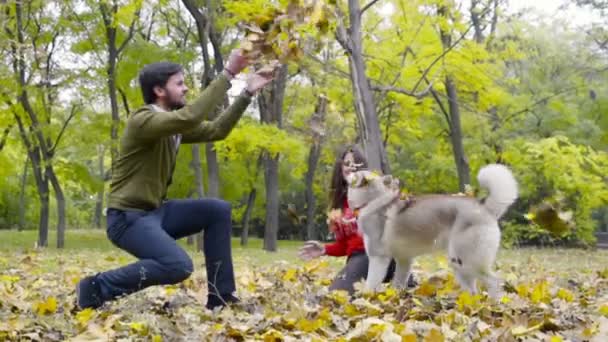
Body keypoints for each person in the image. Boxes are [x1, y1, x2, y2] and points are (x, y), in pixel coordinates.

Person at [76, 49, 274, 311]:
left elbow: (217, 129)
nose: (186, 88)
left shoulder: (173, 128)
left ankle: (220, 298)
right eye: (179, 83)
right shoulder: (143, 120)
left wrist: (247, 93)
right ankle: (95, 287)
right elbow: (191, 116)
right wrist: (228, 73)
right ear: (159, 90)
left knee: (217, 211)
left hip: (155, 213)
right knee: (178, 265)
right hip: (127, 219)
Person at [298, 145, 415, 294]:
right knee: (336, 295)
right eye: (347, 164)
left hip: (390, 254)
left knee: (412, 296)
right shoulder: (338, 206)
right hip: (361, 258)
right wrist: (325, 249)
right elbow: (345, 246)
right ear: (340, 168)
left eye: (356, 164)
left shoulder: (374, 190)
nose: (351, 168)